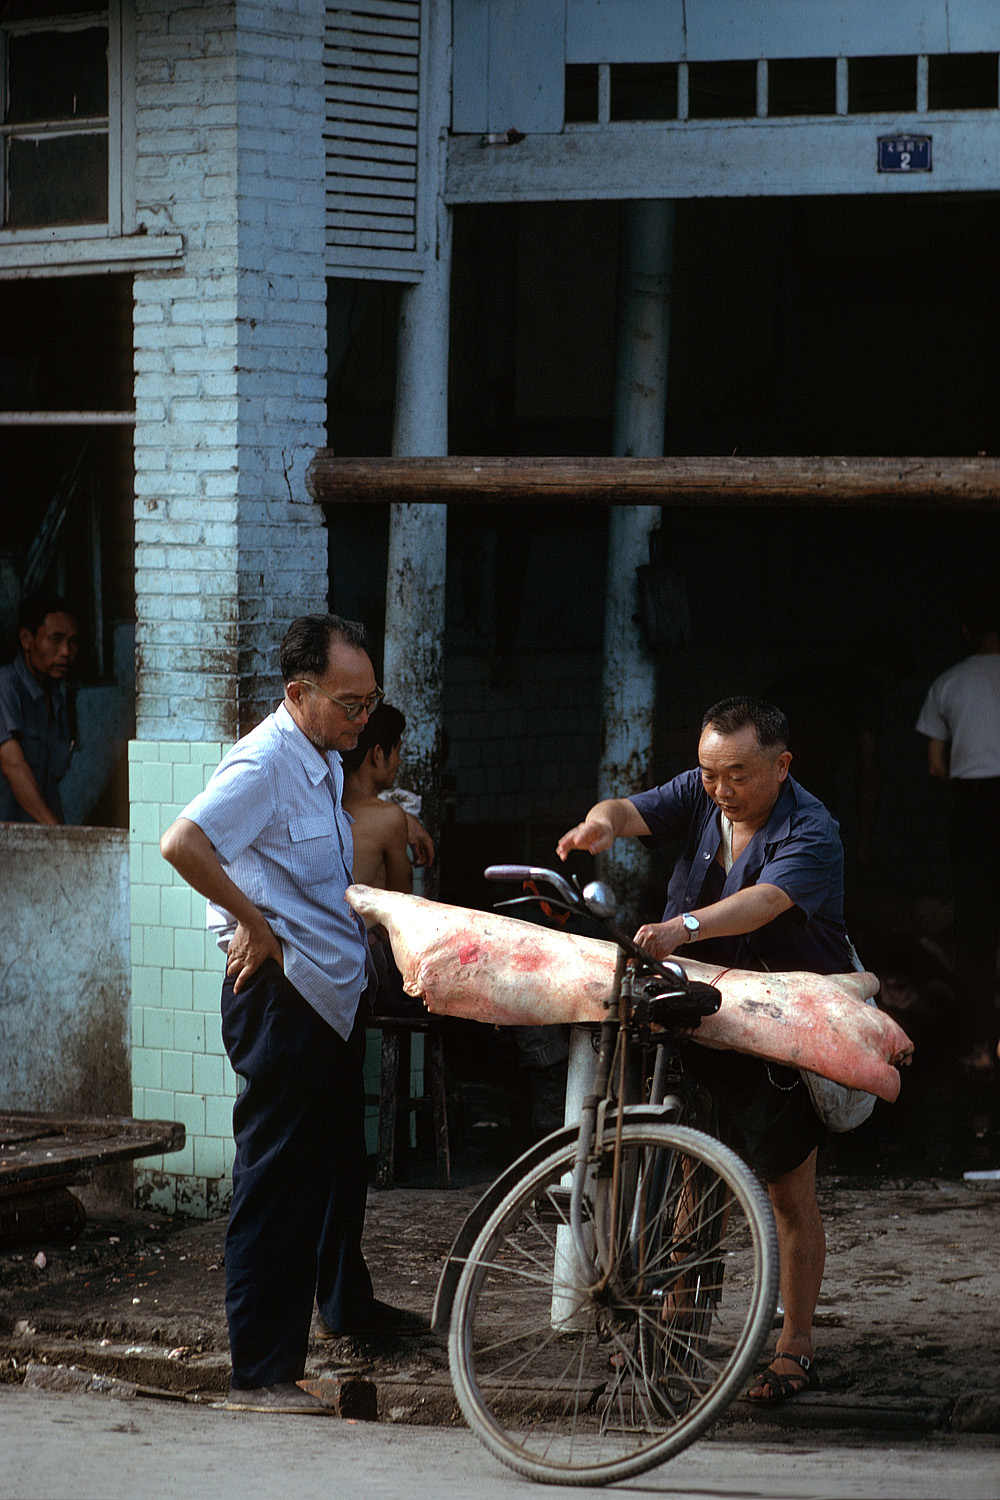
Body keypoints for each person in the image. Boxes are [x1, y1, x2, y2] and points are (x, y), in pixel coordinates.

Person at [556, 696, 864, 1405]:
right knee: (692, 1179)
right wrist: (598, 825)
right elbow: (629, 810)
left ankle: (796, 1347)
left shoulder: (812, 831)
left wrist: (681, 926)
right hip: (698, 1017)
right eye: (709, 774)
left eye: (738, 776)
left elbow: (761, 902)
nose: (721, 790)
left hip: (780, 1025)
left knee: (787, 1190)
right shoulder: (702, 794)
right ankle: (675, 1333)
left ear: (781, 766)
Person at [160, 614, 424, 1418]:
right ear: (297, 693)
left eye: (369, 701)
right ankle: (262, 1375)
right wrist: (253, 917)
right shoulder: (267, 759)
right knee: (276, 1185)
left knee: (333, 1172)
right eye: (348, 702)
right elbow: (183, 843)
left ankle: (345, 1311)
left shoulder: (321, 758)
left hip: (330, 997)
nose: (361, 719)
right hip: (284, 997)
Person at [916, 574, 1000, 1074]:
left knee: (975, 929)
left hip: (975, 809)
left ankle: (980, 1048)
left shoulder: (947, 683)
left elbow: (935, 767)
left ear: (966, 629)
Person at [0, 593, 79, 824]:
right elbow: (14, 766)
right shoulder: (6, 687)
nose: (65, 651)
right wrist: (57, 833)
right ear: (26, 639)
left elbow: (52, 784)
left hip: (38, 840)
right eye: (56, 639)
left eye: (72, 642)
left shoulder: (55, 699)